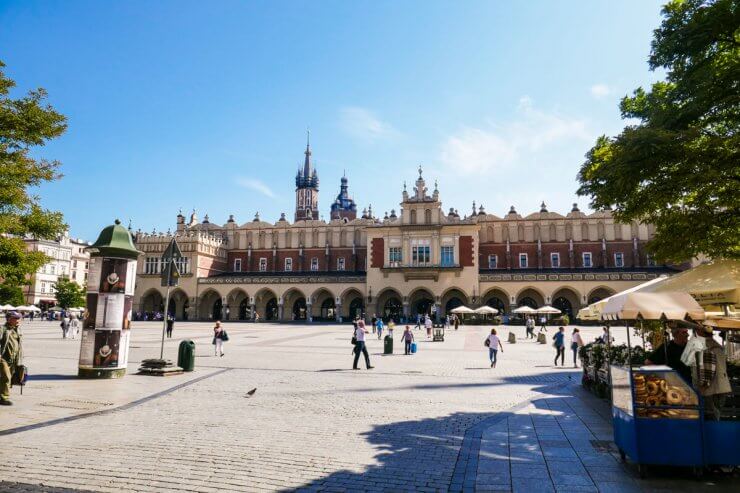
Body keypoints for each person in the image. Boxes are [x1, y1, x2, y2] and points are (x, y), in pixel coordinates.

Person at [681, 325, 731, 420]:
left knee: (710, 417)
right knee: (716, 415)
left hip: (710, 390)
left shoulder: (703, 348)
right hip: (721, 388)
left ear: (699, 332)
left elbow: (702, 374)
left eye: (696, 330)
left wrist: (697, 391)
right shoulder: (716, 345)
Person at [1, 311, 22, 405]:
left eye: (19, 318)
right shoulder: (3, 329)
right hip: (3, 358)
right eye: (16, 318)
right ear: (9, 319)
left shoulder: (17, 330)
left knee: (9, 377)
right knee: (6, 377)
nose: (18, 320)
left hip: (13, 358)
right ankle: (4, 398)